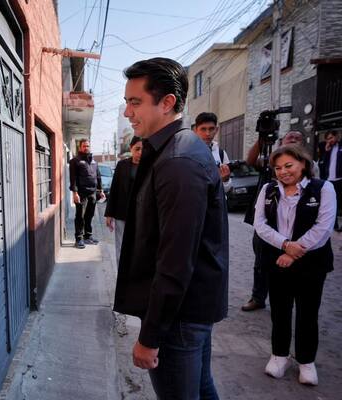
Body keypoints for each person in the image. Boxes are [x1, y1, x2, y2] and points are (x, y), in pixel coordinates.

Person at [114, 58, 229, 400]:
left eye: (135, 102)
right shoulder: (171, 149)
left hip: (177, 318)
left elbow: (175, 261)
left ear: (166, 103)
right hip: (185, 312)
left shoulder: (178, 160)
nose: (127, 112)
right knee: (201, 389)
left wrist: (150, 337)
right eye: (127, 102)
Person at [254, 144, 336, 386]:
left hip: (311, 263)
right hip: (277, 261)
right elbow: (260, 224)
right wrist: (285, 244)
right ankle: (279, 355)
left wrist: (294, 252)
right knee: (280, 311)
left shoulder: (323, 188)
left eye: (288, 165)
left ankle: (306, 360)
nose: (283, 172)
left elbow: (324, 227)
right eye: (278, 168)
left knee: (308, 313)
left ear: (303, 164)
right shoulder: (268, 189)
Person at [241, 130, 320, 312]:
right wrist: (261, 139)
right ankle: (258, 296)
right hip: (268, 220)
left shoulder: (312, 166)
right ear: (282, 141)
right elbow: (250, 161)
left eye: (298, 138)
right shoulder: (271, 161)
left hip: (298, 223)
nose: (294, 139)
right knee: (261, 260)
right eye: (290, 136)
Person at [104, 136, 143, 266]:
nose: (140, 152)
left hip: (142, 214)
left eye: (143, 149)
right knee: (121, 245)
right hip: (122, 212)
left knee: (139, 246)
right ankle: (121, 273)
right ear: (131, 148)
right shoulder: (122, 165)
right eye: (137, 149)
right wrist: (109, 214)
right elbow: (114, 189)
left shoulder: (150, 165)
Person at [69, 138, 105, 249]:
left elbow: (98, 176)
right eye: (84, 146)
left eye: (87, 146)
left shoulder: (93, 161)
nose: (86, 148)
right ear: (80, 147)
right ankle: (79, 238)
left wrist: (101, 190)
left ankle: (88, 236)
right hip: (81, 193)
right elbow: (73, 179)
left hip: (92, 193)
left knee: (90, 215)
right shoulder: (75, 161)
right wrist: (75, 193)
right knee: (80, 216)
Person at [193, 112, 232, 192]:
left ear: (216, 130)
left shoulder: (221, 153)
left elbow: (226, 190)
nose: (207, 133)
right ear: (196, 130)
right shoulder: (188, 153)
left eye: (211, 129)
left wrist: (225, 181)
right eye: (203, 129)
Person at [318, 130, 342, 231]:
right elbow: (322, 164)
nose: (329, 141)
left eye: (331, 138)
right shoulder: (326, 148)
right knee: (333, 202)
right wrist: (326, 152)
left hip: (340, 179)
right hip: (330, 180)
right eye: (327, 139)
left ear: (337, 136)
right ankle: (334, 224)